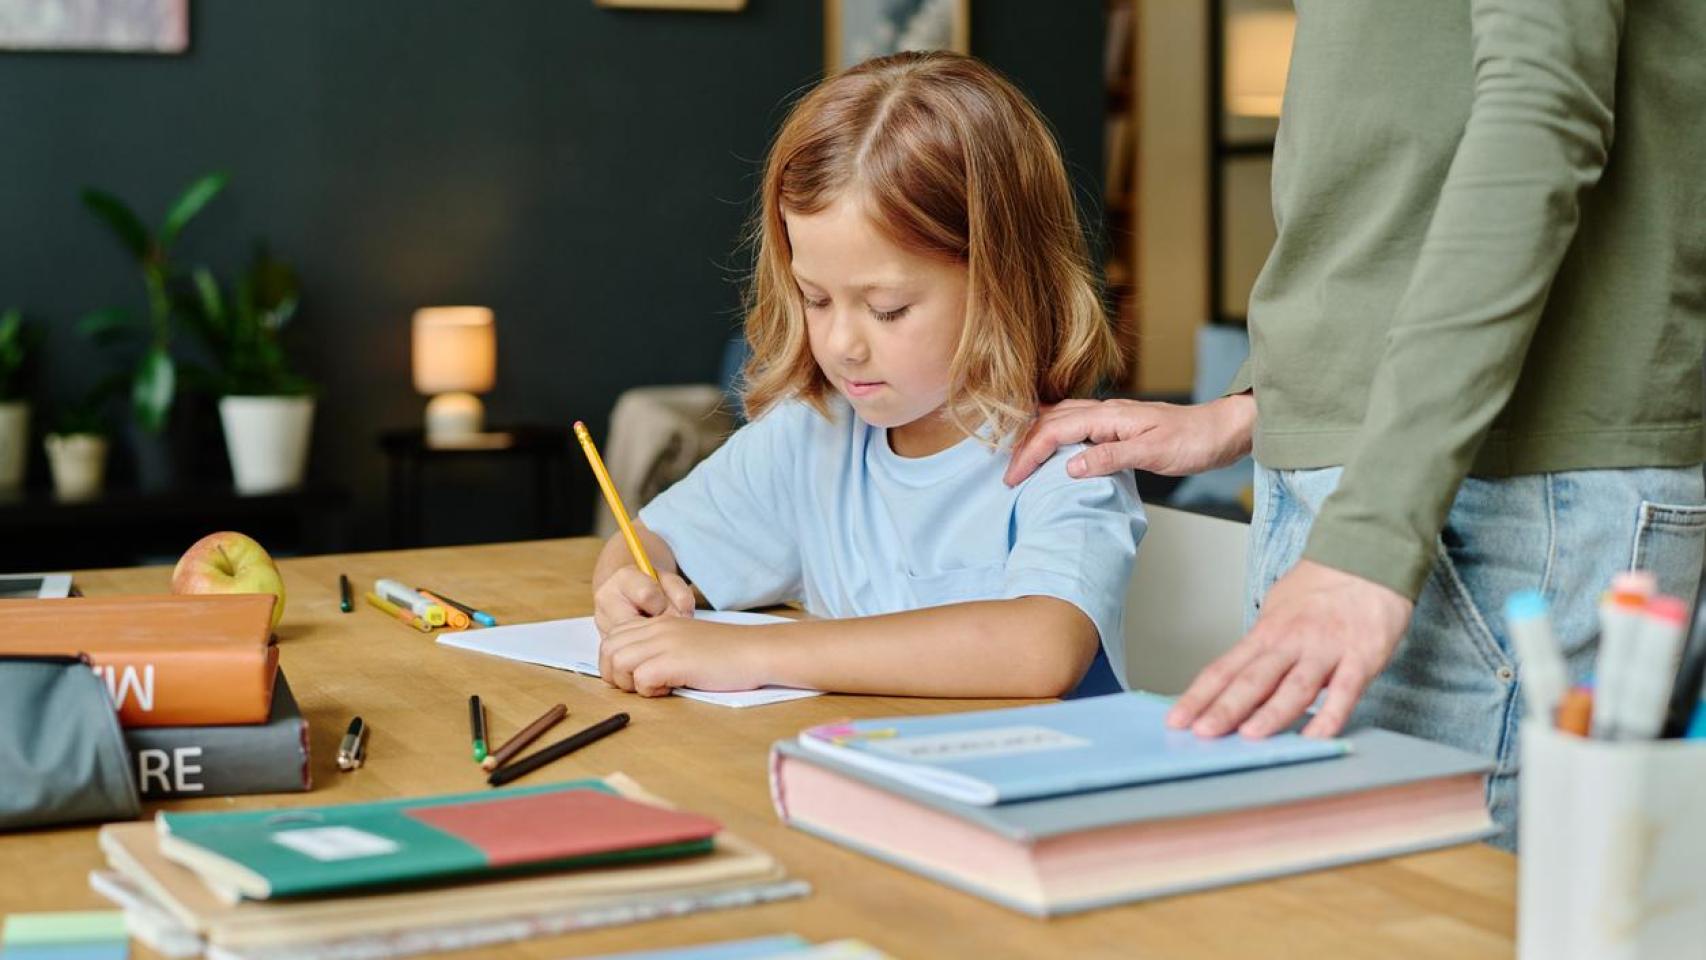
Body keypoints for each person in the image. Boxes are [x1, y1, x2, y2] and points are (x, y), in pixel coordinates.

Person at [1006, 0, 1706, 841]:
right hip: (1378, 485)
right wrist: (1261, 403)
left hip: (1487, 494)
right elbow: (1397, 135)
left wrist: (1371, 534)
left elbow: (1541, 111)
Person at [590, 52, 1145, 700]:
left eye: (888, 309)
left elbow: (1040, 650)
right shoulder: (810, 434)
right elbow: (652, 544)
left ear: (1003, 282)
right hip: (854, 771)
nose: (842, 344)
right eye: (815, 298)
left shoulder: (1070, 460)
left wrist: (753, 651)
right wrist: (630, 585)